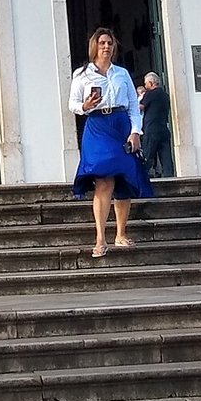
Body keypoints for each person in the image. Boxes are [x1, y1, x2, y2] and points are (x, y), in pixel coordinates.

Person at [69, 28, 152, 258]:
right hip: (97, 126)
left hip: (120, 124)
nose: (106, 47)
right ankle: (100, 237)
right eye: (102, 42)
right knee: (103, 179)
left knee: (123, 179)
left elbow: (133, 107)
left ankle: (121, 233)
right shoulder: (83, 74)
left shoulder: (122, 73)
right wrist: (85, 105)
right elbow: (72, 104)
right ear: (95, 46)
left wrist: (136, 132)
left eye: (110, 43)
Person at [139, 71, 174, 181]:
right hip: (164, 128)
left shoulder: (150, 94)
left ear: (151, 83)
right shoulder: (165, 95)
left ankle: (141, 177)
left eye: (146, 84)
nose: (145, 86)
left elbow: (140, 107)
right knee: (166, 158)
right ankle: (169, 179)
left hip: (151, 129)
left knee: (147, 155)